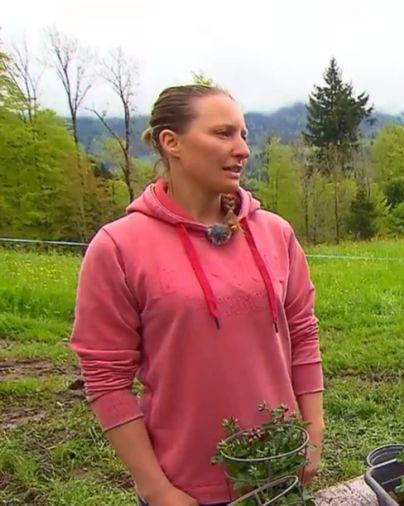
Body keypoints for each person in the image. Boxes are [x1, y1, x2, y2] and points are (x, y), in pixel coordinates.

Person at [69, 84, 324, 505]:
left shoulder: (275, 233)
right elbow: (106, 379)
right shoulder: (118, 246)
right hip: (185, 488)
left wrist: (312, 434)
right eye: (223, 134)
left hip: (281, 470)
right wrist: (157, 489)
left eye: (243, 135)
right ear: (172, 143)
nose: (242, 149)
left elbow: (303, 334)